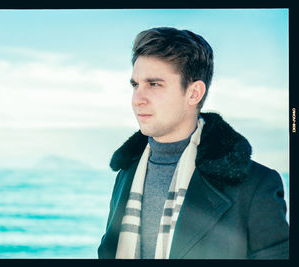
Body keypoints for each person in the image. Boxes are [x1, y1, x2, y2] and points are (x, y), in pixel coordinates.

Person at [97, 27, 289, 259]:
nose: (138, 99)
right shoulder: (126, 173)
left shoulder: (256, 186)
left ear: (194, 93)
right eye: (135, 85)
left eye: (154, 84)